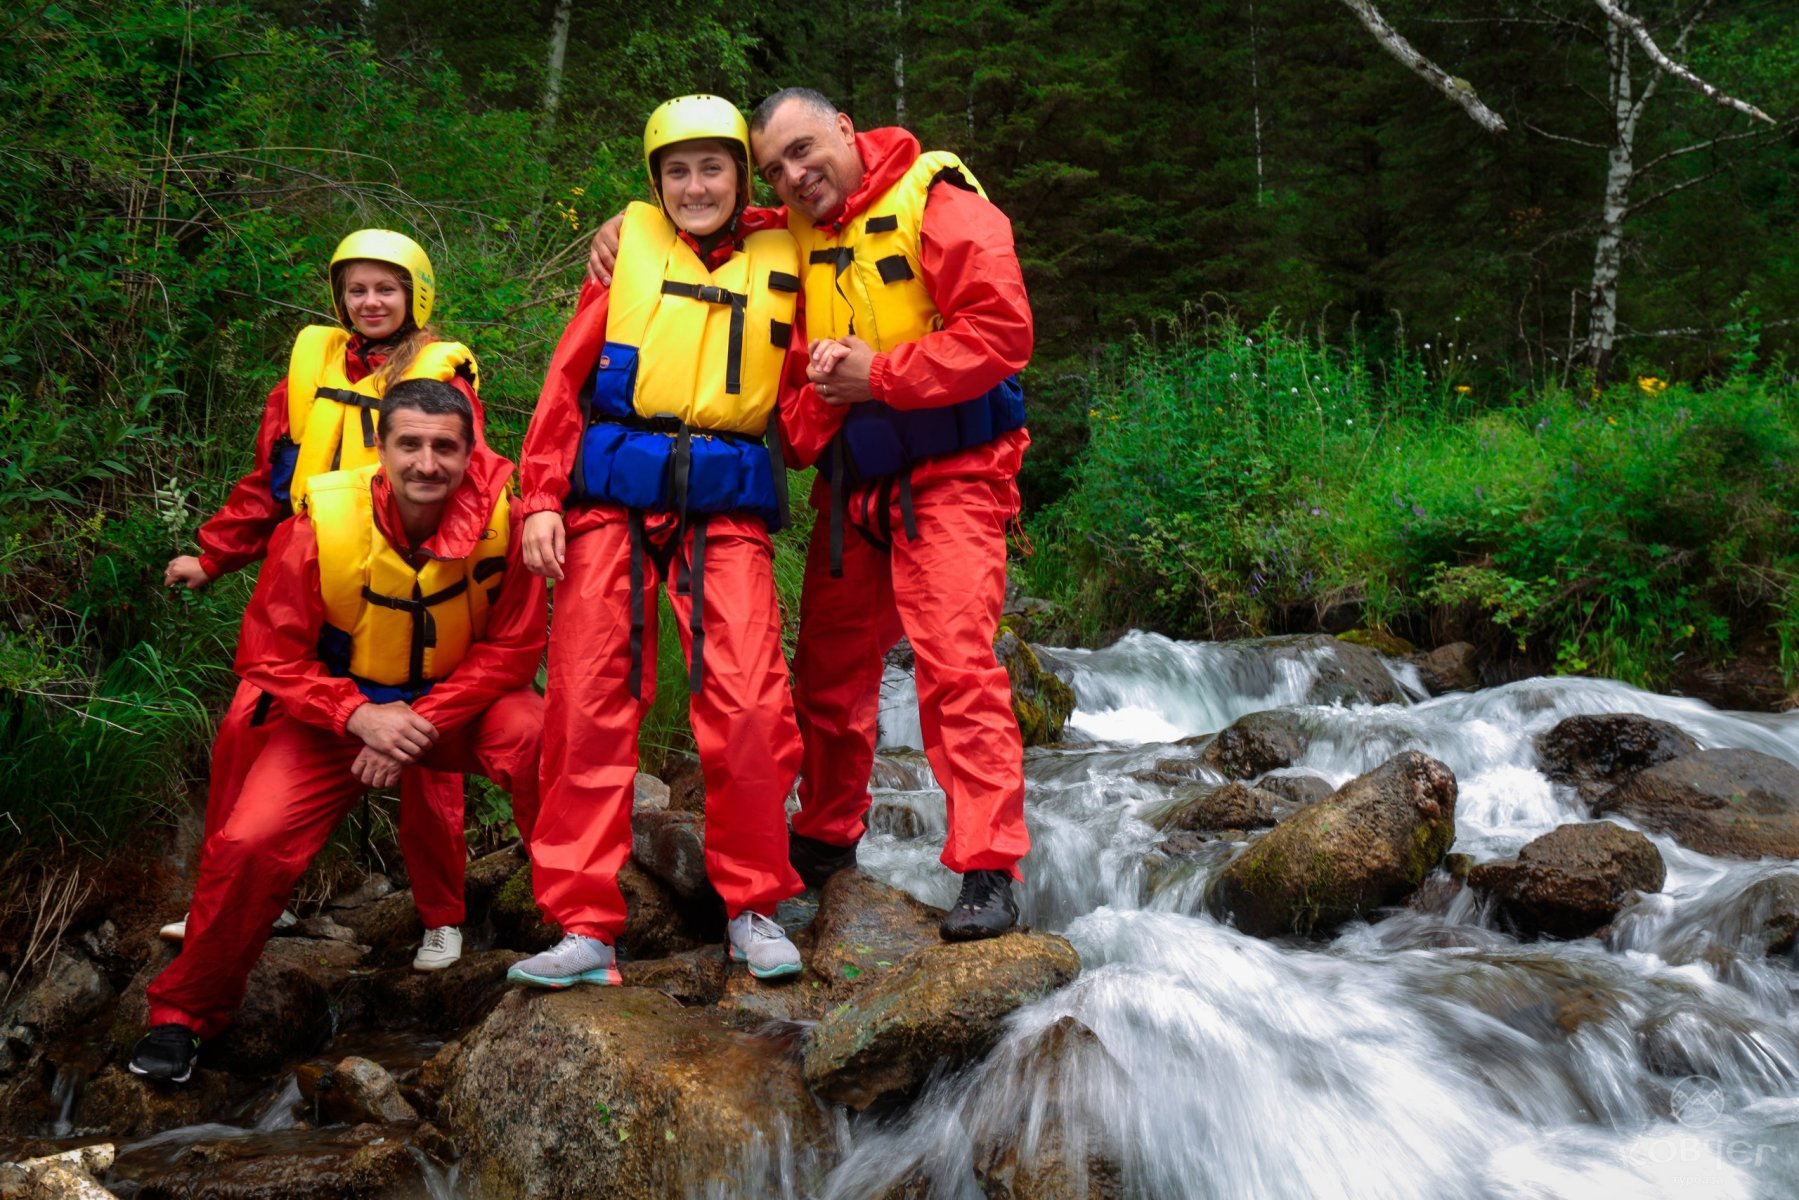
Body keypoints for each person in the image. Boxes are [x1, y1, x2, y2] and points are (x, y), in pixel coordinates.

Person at [590, 88, 1034, 940]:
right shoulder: (786, 232)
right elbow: (700, 218)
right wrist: (625, 227)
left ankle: (988, 866)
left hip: (952, 477)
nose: (793, 175)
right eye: (775, 168)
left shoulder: (941, 204)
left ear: (843, 129)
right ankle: (829, 835)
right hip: (849, 490)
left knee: (955, 667)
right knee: (828, 679)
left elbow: (1002, 331)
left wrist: (882, 376)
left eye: (803, 150)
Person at [129, 380, 547, 1083]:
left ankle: (583, 933)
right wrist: (359, 717)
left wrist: (416, 722)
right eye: (409, 445)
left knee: (542, 738)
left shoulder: (507, 520)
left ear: (469, 452)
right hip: (334, 713)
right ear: (380, 448)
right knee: (251, 840)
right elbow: (268, 657)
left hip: (453, 708)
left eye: (444, 448)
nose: (426, 464)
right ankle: (185, 1014)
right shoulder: (318, 524)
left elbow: (514, 649)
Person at [507, 94, 807, 989]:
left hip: (726, 507)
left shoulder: (786, 250)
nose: (695, 186)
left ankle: (753, 907)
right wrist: (540, 497)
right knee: (585, 704)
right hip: (611, 504)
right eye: (676, 172)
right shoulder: (624, 253)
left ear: (743, 178)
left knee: (749, 705)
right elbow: (566, 383)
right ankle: (583, 926)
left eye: (713, 168)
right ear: (654, 182)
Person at [159, 230, 483, 971]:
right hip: (310, 576)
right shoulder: (310, 372)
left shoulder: (441, 377)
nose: (370, 302)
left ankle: (442, 917)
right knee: (245, 728)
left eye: (386, 289)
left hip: (410, 577)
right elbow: (270, 481)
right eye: (356, 289)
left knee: (425, 754)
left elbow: (465, 478)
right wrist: (214, 555)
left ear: (415, 296)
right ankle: (229, 900)